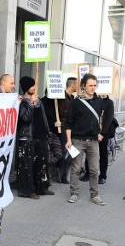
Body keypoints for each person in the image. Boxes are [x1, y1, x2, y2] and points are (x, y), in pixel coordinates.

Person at [64, 74, 107, 205]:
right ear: (83, 86)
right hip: (77, 140)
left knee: (94, 170)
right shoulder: (76, 102)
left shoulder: (99, 101)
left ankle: (94, 195)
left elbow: (101, 118)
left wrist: (101, 133)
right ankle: (74, 193)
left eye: (95, 85)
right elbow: (68, 123)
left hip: (93, 141)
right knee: (76, 169)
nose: (93, 88)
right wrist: (68, 140)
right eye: (90, 85)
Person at [16, 76, 54, 198]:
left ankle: (42, 187)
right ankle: (27, 191)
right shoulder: (21, 102)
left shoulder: (38, 100)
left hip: (40, 137)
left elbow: (43, 118)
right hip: (27, 136)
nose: (34, 87)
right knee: (27, 165)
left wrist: (48, 132)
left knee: (42, 163)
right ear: (26, 87)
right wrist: (31, 104)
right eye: (32, 85)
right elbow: (26, 119)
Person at [42, 77, 76, 184]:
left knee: (72, 152)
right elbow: (58, 113)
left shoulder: (71, 98)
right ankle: (61, 174)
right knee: (63, 152)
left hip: (69, 128)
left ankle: (63, 173)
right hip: (61, 129)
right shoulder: (61, 99)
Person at [80, 95, 114, 184]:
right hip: (91, 132)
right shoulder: (92, 100)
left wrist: (102, 133)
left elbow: (109, 118)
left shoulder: (109, 102)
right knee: (89, 152)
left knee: (103, 153)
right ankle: (88, 173)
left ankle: (103, 175)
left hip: (103, 133)